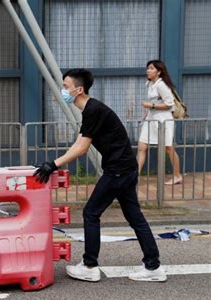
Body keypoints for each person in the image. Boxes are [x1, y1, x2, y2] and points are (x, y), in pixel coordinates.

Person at [34, 69, 166, 282]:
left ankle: (89, 266)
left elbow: (82, 148)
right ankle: (153, 266)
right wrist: (53, 163)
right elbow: (80, 141)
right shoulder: (91, 110)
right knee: (135, 218)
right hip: (125, 169)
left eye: (66, 86)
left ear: (79, 89)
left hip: (118, 171)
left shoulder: (93, 109)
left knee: (91, 213)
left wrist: (53, 164)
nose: (62, 90)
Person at [137, 60, 182, 185]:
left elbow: (169, 104)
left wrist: (150, 105)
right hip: (151, 119)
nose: (148, 71)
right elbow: (156, 101)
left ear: (159, 71)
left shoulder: (161, 85)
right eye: (147, 68)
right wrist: (147, 113)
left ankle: (177, 175)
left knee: (168, 148)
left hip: (163, 120)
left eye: (151, 68)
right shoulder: (150, 84)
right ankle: (134, 176)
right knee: (142, 147)